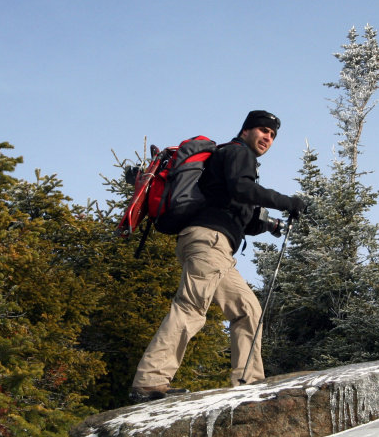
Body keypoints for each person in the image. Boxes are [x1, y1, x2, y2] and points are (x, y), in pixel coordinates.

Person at [130, 110, 305, 402]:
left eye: (272, 135)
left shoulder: (231, 162)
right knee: (191, 308)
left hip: (214, 246)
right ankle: (149, 381)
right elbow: (243, 189)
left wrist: (271, 225)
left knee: (248, 311)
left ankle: (248, 383)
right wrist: (286, 202)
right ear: (247, 130)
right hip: (208, 241)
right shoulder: (238, 153)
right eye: (263, 130)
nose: (267, 138)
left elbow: (241, 215)